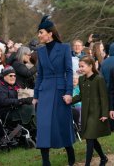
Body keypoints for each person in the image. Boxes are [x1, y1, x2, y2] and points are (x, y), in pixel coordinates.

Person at [32, 15, 75, 166]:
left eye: (41, 32)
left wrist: (69, 92)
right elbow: (40, 75)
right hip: (44, 92)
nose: (39, 35)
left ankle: (71, 155)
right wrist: (36, 95)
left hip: (61, 91)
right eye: (38, 33)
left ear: (50, 33)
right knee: (43, 126)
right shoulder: (40, 51)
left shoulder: (64, 48)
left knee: (62, 123)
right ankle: (46, 162)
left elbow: (69, 72)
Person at [72, 56, 110, 166]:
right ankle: (103, 158)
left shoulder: (99, 79)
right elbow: (80, 96)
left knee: (89, 139)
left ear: (90, 66)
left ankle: (87, 164)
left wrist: (104, 113)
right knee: (92, 138)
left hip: (96, 114)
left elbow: (104, 97)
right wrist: (70, 100)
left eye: (82, 66)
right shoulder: (81, 79)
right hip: (85, 114)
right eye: (79, 66)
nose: (81, 68)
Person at [0, 66, 35, 131]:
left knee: (35, 106)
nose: (13, 77)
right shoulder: (0, 87)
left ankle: (34, 128)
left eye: (14, 76)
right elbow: (3, 101)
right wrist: (23, 100)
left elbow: (21, 96)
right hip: (7, 113)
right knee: (29, 108)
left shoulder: (15, 85)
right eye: (10, 76)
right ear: (4, 76)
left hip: (16, 108)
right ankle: (31, 128)